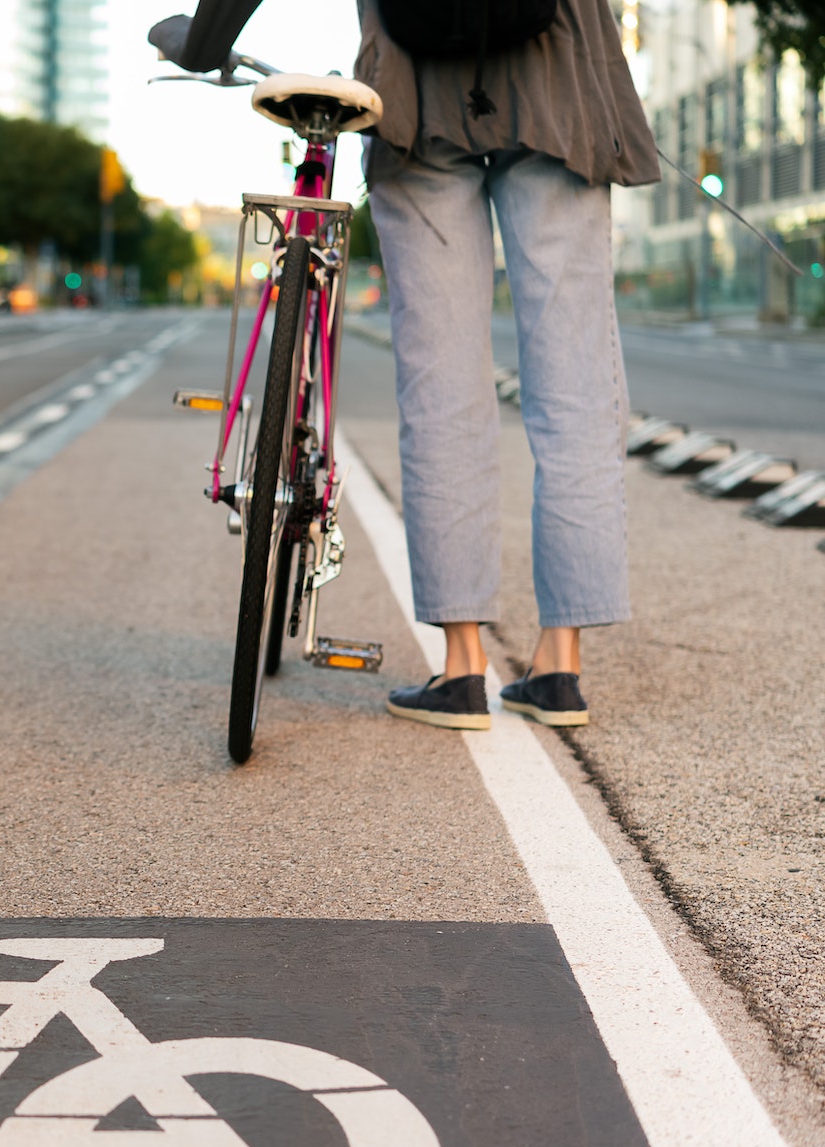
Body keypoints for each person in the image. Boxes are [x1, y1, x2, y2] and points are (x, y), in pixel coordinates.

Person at [172, 1, 658, 731]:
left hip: (416, 98)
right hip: (562, 89)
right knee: (576, 385)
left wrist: (202, 45)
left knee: (443, 391)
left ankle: (462, 668)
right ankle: (559, 667)